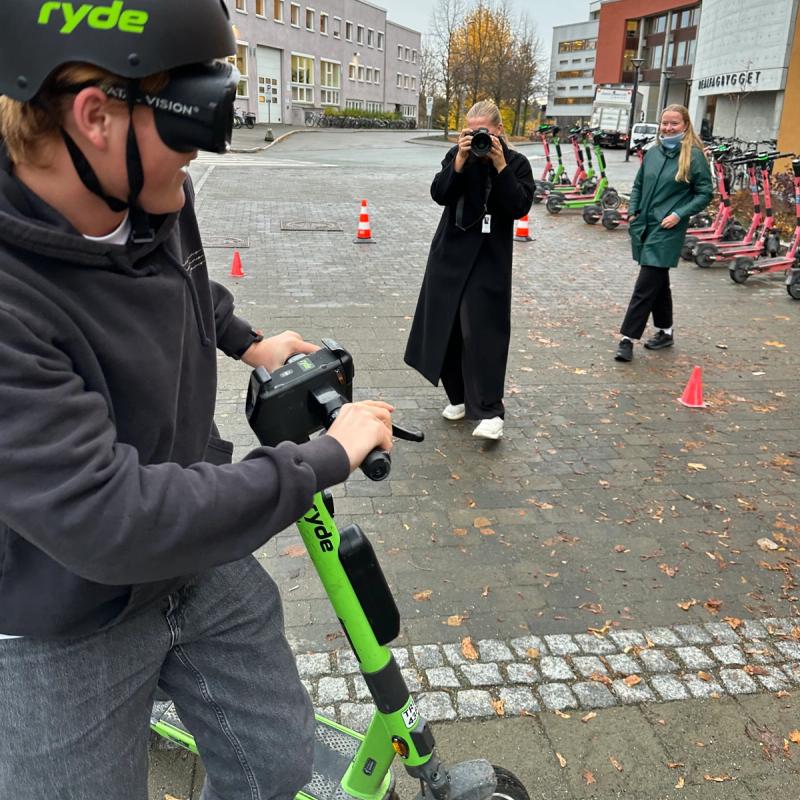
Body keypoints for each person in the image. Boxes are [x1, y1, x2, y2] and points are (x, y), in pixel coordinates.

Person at [0, 2, 393, 798]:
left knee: (274, 763)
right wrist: (320, 459)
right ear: (96, 116)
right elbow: (110, 517)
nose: (195, 163)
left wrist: (246, 336)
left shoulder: (143, 189)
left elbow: (176, 272)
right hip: (58, 610)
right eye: (189, 128)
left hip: (194, 564)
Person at [404, 100, 534, 440]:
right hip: (449, 254)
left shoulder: (517, 163)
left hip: (489, 259)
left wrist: (501, 165)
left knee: (482, 332)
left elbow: (519, 205)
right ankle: (459, 397)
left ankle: (490, 410)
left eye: (484, 133)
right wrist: (459, 161)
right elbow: (439, 193)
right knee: (445, 330)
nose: (478, 138)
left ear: (500, 131)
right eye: (471, 132)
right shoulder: (456, 156)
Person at [614, 104, 713, 362]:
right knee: (658, 281)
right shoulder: (654, 153)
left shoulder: (693, 156)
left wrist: (679, 214)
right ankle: (665, 332)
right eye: (664, 123)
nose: (668, 128)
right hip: (644, 225)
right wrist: (633, 210)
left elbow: (705, 193)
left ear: (685, 125)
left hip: (668, 229)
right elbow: (638, 184)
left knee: (645, 283)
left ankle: (627, 338)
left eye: (674, 124)